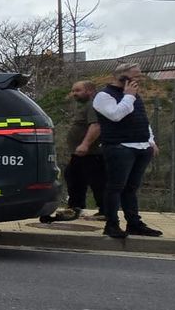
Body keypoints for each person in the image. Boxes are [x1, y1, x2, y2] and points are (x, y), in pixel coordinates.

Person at [92, 62, 162, 239]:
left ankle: (134, 223)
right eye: (135, 76)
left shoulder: (134, 95)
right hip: (119, 147)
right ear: (121, 76)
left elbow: (142, 119)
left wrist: (150, 140)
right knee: (115, 187)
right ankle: (112, 224)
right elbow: (115, 115)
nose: (139, 79)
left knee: (131, 188)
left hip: (141, 146)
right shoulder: (103, 96)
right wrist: (129, 96)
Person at [45, 81, 106, 222]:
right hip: (79, 154)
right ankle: (74, 207)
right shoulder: (83, 107)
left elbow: (96, 126)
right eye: (73, 91)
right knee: (73, 177)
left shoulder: (92, 106)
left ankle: (105, 210)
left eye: (78, 90)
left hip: (92, 153)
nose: (74, 94)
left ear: (90, 91)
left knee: (97, 182)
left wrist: (85, 144)